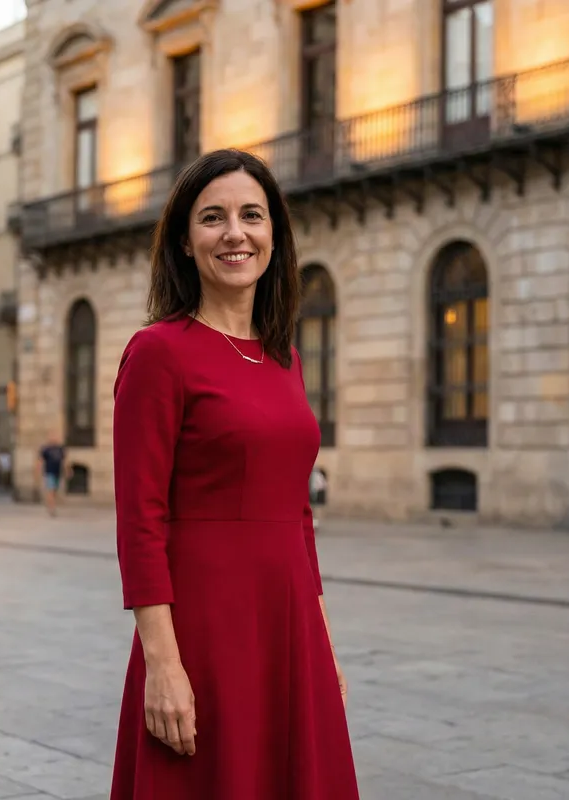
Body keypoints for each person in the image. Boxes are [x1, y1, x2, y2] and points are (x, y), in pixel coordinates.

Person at [110, 150, 359, 799]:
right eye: (212, 218)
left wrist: (323, 646)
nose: (234, 233)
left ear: (273, 235)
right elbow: (139, 522)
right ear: (186, 243)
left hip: (288, 625)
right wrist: (163, 666)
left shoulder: (284, 359)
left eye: (252, 215)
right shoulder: (159, 353)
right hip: (204, 630)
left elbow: (300, 518)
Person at [36, 433, 68, 516]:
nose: (54, 438)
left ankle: (51, 505)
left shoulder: (60, 449)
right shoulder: (46, 449)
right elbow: (40, 460)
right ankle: (52, 508)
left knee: (54, 491)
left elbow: (64, 461)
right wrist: (38, 471)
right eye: (52, 436)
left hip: (57, 472)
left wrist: (67, 470)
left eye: (55, 436)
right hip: (49, 472)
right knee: (50, 490)